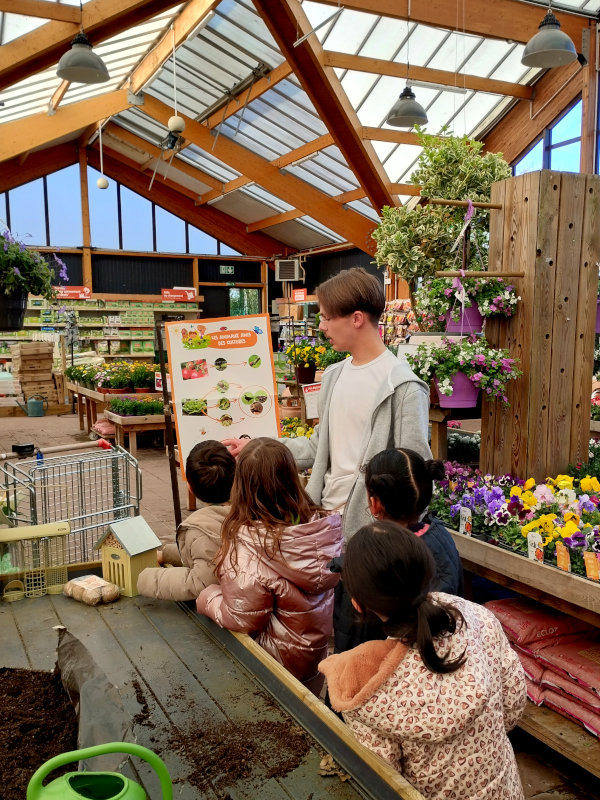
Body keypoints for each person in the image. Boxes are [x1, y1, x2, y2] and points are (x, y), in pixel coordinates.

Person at [319, 522, 526, 800]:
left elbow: (381, 783)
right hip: (504, 789)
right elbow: (513, 704)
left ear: (357, 603)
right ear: (427, 572)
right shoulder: (478, 618)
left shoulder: (369, 692)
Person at [224, 267, 432, 540]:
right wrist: (256, 446)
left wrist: (392, 539)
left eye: (326, 317)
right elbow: (316, 447)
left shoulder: (404, 387)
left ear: (356, 318)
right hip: (324, 521)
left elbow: (416, 474)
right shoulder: (334, 376)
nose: (321, 326)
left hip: (373, 535)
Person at [196, 437, 343, 694]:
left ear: (240, 486)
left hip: (273, 668)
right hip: (311, 660)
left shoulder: (250, 545)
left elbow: (242, 617)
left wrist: (209, 597)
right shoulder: (316, 530)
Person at [332, 448, 464, 653]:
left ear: (374, 504)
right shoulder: (441, 536)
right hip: (438, 657)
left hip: (382, 670)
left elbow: (353, 638)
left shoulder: (370, 561)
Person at [137, 440, 235, 601]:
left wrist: (146, 578)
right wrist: (167, 554)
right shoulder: (247, 511)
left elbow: (201, 584)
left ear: (189, 486)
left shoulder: (201, 530)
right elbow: (208, 554)